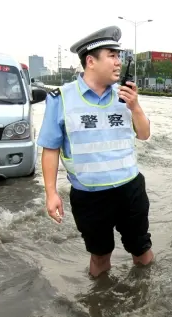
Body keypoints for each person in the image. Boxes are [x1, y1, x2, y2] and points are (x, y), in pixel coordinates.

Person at [37, 26, 154, 278]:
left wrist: (135, 107)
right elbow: (50, 149)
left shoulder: (125, 96)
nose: (118, 62)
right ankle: (99, 306)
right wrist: (51, 193)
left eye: (119, 56)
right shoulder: (62, 99)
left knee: (142, 251)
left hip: (130, 189)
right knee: (99, 256)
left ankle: (148, 298)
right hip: (89, 197)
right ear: (91, 61)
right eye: (112, 55)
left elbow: (144, 134)